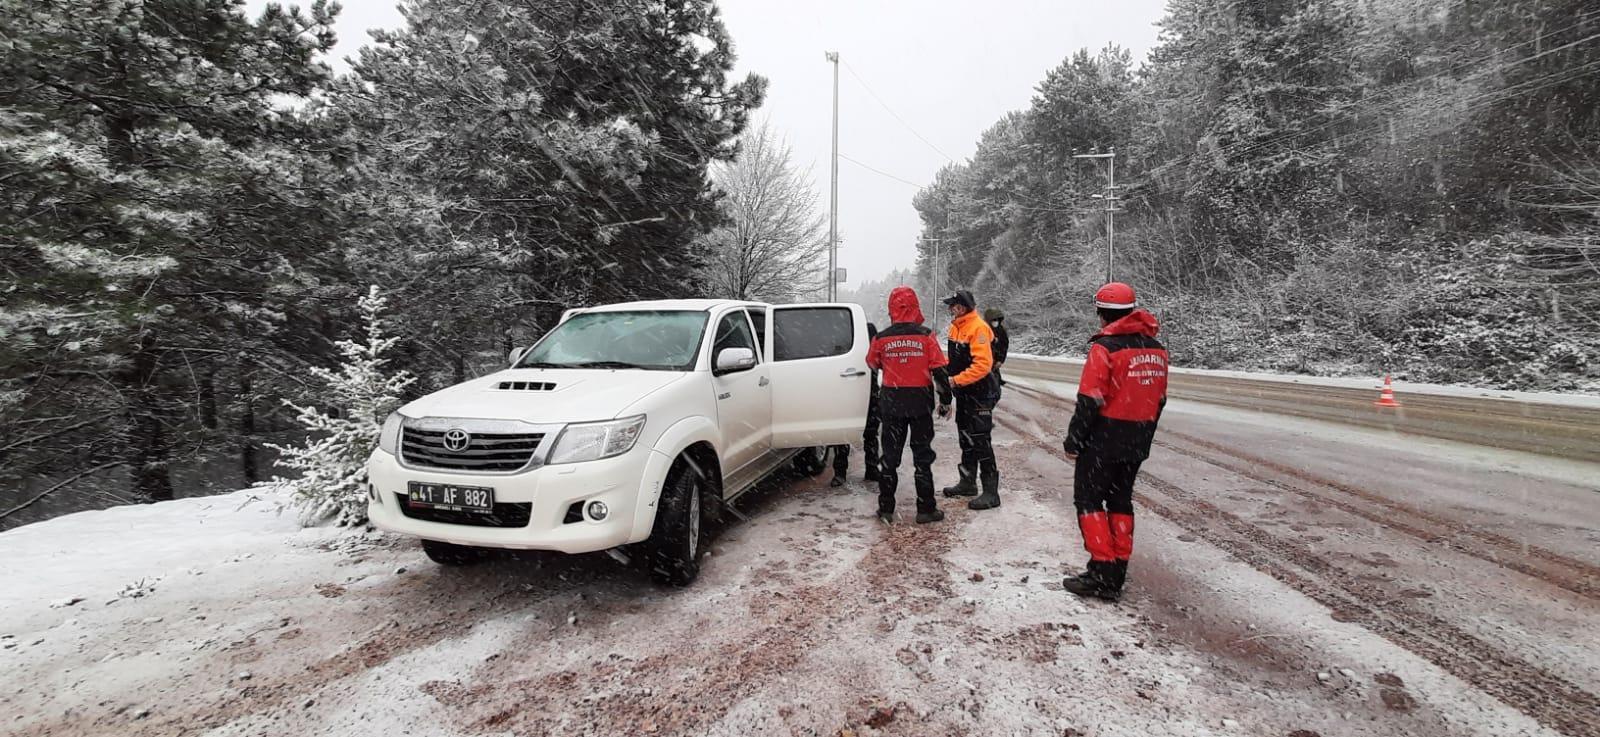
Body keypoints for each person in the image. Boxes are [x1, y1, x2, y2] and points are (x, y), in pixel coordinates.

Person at [1061, 282, 1169, 602]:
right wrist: (1144, 435)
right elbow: (1160, 399)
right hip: (1137, 439)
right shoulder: (1156, 349)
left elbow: (1090, 399)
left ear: (1102, 312)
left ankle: (1102, 571)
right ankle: (1118, 567)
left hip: (1103, 438)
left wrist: (1074, 440)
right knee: (1121, 501)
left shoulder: (1105, 348)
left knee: (1089, 501)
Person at [866, 287, 953, 524]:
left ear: (891, 309)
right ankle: (925, 509)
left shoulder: (881, 338)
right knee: (922, 456)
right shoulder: (926, 336)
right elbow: (939, 370)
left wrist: (894, 362)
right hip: (919, 402)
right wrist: (946, 400)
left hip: (892, 401)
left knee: (890, 457)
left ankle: (886, 508)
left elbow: (872, 362)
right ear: (915, 306)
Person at [939, 290, 1002, 511]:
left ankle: (991, 492)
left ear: (962, 307)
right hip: (965, 393)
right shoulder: (956, 328)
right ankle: (967, 482)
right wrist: (944, 373)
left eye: (953, 305)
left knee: (981, 440)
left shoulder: (978, 328)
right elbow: (956, 360)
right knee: (966, 438)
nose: (950, 309)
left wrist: (955, 380)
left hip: (981, 393)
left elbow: (982, 366)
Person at [831, 323, 883, 487]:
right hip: (846, 390)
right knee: (843, 433)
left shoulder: (869, 330)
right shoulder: (840, 333)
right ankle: (840, 472)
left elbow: (879, 358)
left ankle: (871, 468)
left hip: (869, 390)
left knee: (871, 432)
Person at [983, 307, 1010, 387]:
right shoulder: (982, 329)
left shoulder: (1001, 331)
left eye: (997, 320)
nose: (996, 322)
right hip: (984, 358)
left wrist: (1000, 360)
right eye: (994, 320)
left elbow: (1004, 346)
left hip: (995, 356)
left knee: (994, 371)